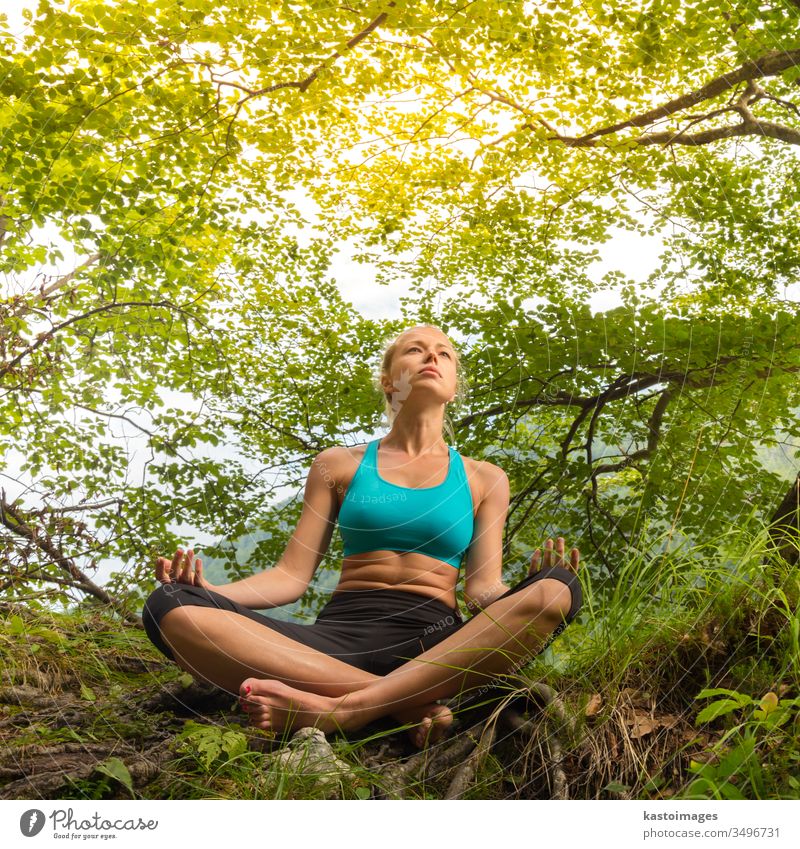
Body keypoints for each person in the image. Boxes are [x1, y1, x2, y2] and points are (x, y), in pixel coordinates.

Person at [142, 324, 582, 748]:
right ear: (390, 382)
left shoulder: (485, 478)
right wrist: (211, 590)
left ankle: (348, 709)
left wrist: (527, 590)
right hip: (335, 642)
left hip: (436, 641)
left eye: (444, 353)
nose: (432, 355)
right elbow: (290, 576)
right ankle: (406, 705)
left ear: (453, 386)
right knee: (171, 607)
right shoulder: (338, 464)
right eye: (415, 349)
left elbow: (483, 589)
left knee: (556, 591)